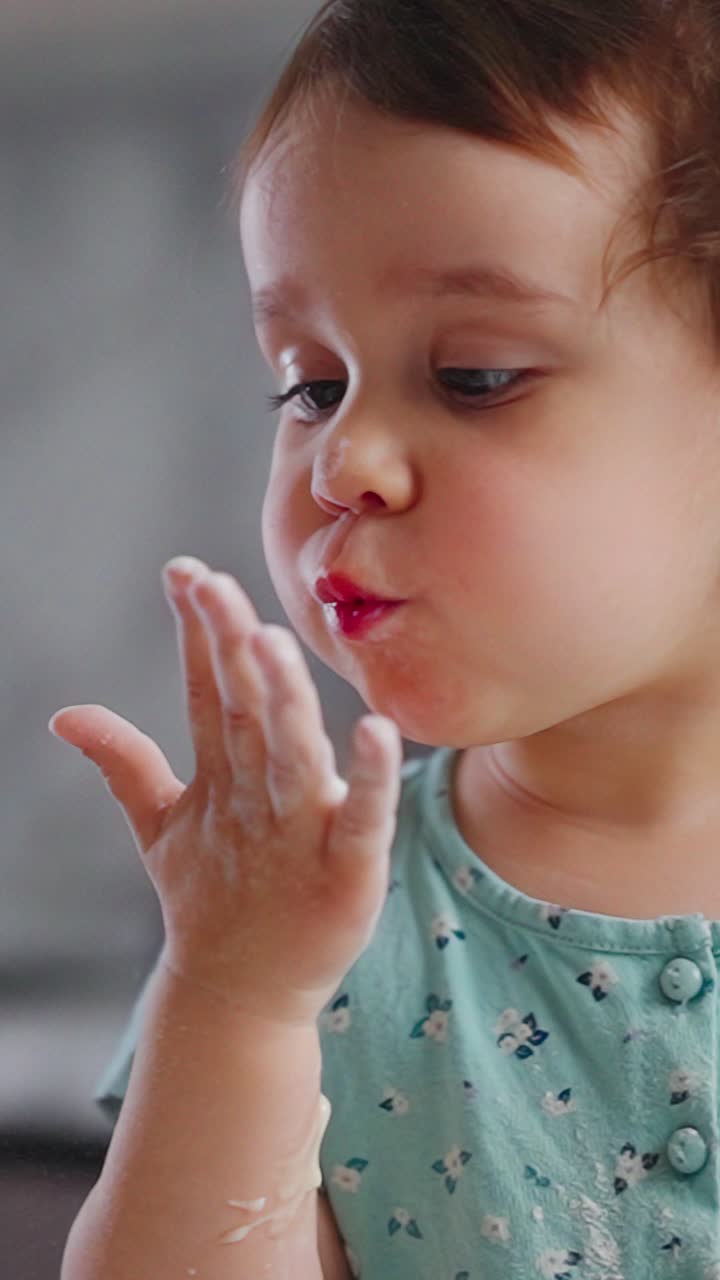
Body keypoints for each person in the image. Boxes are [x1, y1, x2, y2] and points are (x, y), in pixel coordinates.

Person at [53, 1, 720, 1276]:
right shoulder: (299, 933)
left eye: (474, 375)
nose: (343, 459)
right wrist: (235, 1002)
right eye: (311, 382)